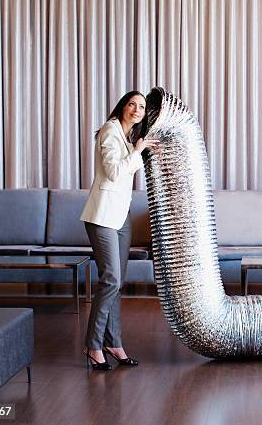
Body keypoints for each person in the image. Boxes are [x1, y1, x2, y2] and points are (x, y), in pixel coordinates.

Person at [80, 91, 158, 370]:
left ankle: (114, 343)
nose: (137, 109)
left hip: (120, 216)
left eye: (141, 106)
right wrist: (138, 151)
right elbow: (113, 172)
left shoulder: (126, 138)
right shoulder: (110, 131)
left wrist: (141, 150)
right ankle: (93, 346)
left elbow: (127, 168)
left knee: (117, 283)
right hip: (102, 216)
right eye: (132, 104)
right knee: (111, 280)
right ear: (123, 106)